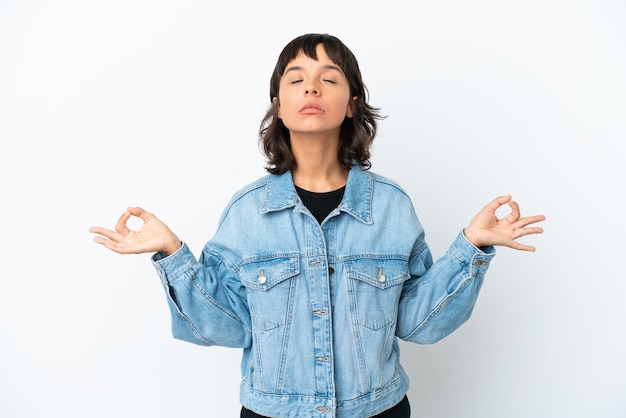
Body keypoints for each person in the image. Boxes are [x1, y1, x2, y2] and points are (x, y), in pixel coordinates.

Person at [89, 33, 545, 418]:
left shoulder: (391, 206)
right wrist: (173, 255)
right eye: (297, 80)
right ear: (278, 106)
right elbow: (226, 326)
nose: (312, 89)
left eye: (329, 79)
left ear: (350, 105)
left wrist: (472, 247)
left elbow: (415, 323)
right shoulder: (247, 212)